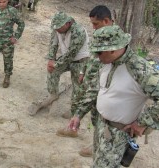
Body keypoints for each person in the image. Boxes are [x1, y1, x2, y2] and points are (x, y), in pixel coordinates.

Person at [67, 25, 159, 167]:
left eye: (99, 52)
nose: (96, 56)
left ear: (113, 49)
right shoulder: (105, 62)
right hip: (101, 126)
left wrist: (142, 122)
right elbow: (95, 90)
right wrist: (78, 114)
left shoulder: (140, 69)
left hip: (118, 134)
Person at [58, 5, 114, 157]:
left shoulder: (117, 39)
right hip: (90, 78)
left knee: (99, 115)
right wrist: (83, 71)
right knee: (79, 99)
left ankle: (97, 145)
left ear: (107, 21)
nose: (94, 28)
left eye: (96, 24)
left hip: (102, 85)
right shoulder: (98, 34)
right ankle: (73, 128)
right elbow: (92, 56)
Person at [28, 11, 90, 124]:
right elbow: (53, 44)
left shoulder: (79, 31)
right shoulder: (57, 28)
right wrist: (51, 60)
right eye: (55, 28)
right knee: (52, 71)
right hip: (67, 58)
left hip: (81, 61)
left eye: (59, 28)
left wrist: (56, 64)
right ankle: (53, 95)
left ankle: (74, 109)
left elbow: (72, 53)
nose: (57, 30)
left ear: (68, 23)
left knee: (77, 86)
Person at [0, 0, 25, 88]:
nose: (2, 4)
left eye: (4, 2)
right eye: (0, 1)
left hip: (7, 42)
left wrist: (16, 37)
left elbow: (21, 24)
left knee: (8, 61)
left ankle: (7, 77)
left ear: (7, 1)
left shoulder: (13, 11)